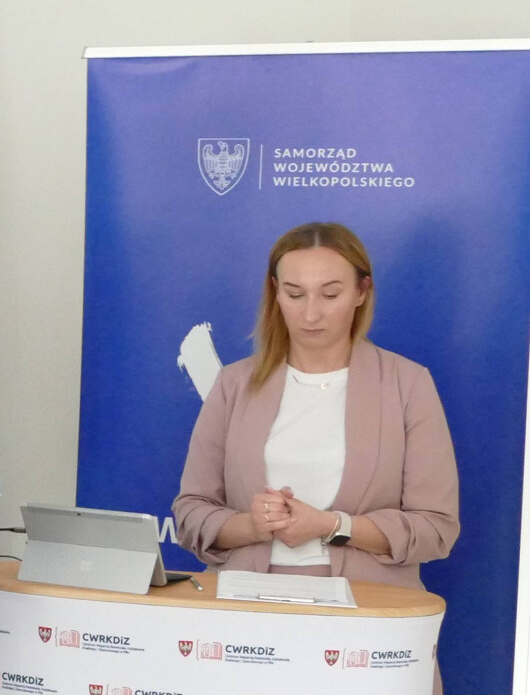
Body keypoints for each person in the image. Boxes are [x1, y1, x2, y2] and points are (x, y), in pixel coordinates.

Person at [172, 221, 458, 590]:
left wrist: (333, 526)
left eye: (330, 295)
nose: (310, 315)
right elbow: (190, 514)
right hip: (244, 601)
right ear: (275, 292)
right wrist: (252, 526)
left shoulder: (408, 384)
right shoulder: (233, 384)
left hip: (369, 606)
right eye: (295, 294)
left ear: (362, 291)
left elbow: (436, 528)